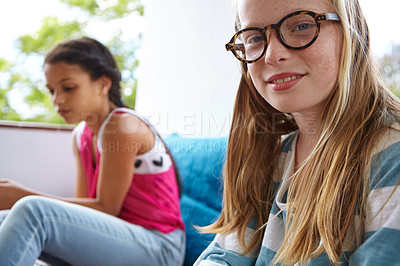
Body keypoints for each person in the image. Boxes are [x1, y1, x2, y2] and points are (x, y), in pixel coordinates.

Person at [195, 0, 400, 265]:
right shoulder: (269, 156)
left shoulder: (390, 155)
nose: (271, 54)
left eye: (302, 25)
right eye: (255, 37)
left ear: (352, 31)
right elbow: (225, 255)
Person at [0, 37, 185, 266]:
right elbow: (82, 208)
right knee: (4, 219)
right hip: (114, 239)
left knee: (31, 211)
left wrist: (21, 195)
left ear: (103, 84)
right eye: (52, 91)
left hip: (160, 248)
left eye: (68, 88)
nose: (57, 100)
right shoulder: (81, 135)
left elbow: (106, 209)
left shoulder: (122, 126)